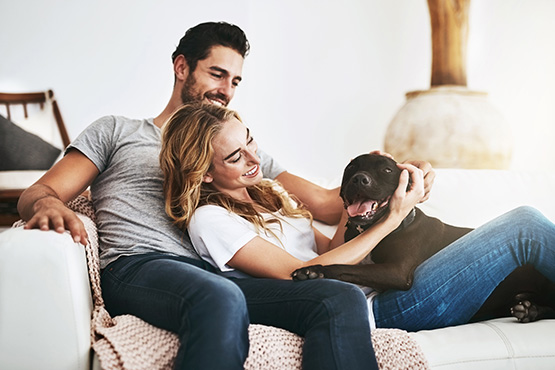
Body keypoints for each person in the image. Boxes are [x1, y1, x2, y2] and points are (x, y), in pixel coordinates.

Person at [16, 21, 436, 369]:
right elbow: (42, 189)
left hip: (217, 270)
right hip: (141, 264)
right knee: (218, 297)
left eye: (235, 80)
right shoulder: (119, 132)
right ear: (182, 67)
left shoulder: (239, 152)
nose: (226, 89)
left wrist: (392, 177)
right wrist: (50, 202)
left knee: (335, 296)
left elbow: (328, 205)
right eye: (217, 74)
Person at [160, 102, 555, 334]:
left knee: (523, 229)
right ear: (204, 172)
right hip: (377, 309)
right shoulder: (210, 221)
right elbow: (302, 273)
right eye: (235, 156)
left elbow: (333, 249)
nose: (254, 157)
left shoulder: (268, 197)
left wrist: (367, 200)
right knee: (523, 227)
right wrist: (392, 219)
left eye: (249, 139)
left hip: (386, 293)